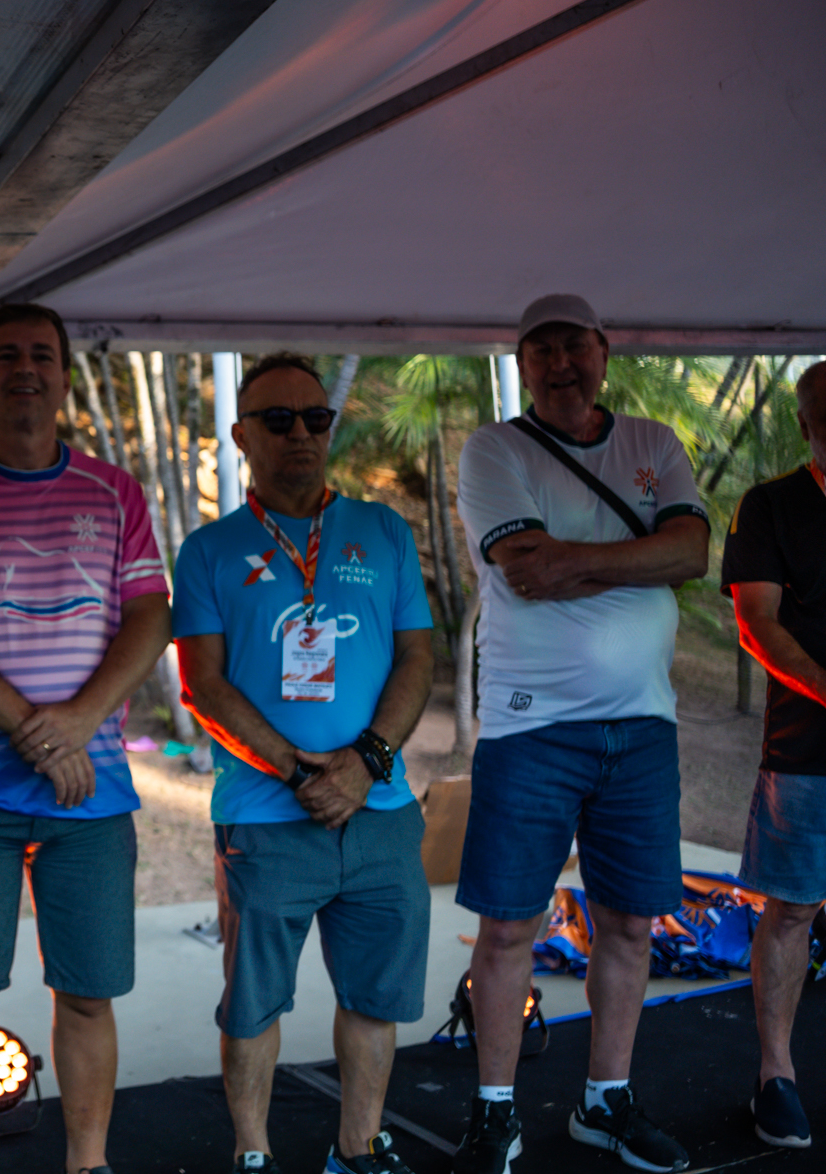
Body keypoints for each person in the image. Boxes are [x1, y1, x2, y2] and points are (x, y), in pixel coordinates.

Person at [0, 303, 172, 1174]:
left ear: (62, 374)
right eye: (6, 355)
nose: (26, 369)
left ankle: (88, 1163)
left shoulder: (115, 491)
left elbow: (151, 615)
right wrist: (37, 732)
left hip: (94, 794)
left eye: (42, 355)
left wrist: (79, 724)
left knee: (87, 997)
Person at [452, 294, 709, 1174]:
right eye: (542, 350)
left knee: (630, 925)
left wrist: (579, 559)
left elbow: (694, 554)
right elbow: (528, 569)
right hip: (533, 727)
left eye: (575, 346)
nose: (561, 363)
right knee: (507, 928)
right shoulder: (495, 449)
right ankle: (495, 1114)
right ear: (521, 363)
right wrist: (646, 558)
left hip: (644, 726)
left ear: (604, 350)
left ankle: (606, 1101)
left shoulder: (654, 442)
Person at [172, 353, 434, 1174]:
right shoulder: (210, 549)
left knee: (374, 996)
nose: (300, 434)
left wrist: (366, 763)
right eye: (278, 419)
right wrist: (300, 773)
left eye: (315, 418)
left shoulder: (384, 531)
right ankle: (253, 1154)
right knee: (253, 1004)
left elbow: (417, 658)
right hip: (265, 816)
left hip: (380, 810)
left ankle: (358, 1148)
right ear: (241, 435)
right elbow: (203, 683)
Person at [722, 358, 826, 1151]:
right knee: (793, 909)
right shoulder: (771, 504)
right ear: (804, 422)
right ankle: (776, 1075)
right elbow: (757, 622)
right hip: (806, 749)